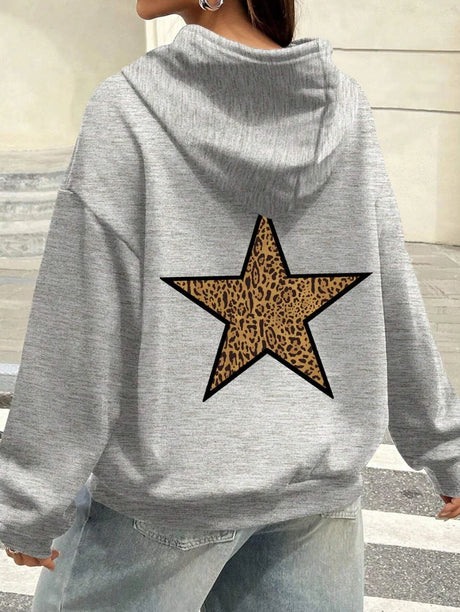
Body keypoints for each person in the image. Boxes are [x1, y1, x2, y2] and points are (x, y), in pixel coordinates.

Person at [1, 0, 459, 609]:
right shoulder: (343, 106)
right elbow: (390, 289)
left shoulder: (130, 107)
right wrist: (444, 446)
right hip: (315, 500)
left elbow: (83, 321)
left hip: (163, 507)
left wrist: (31, 497)